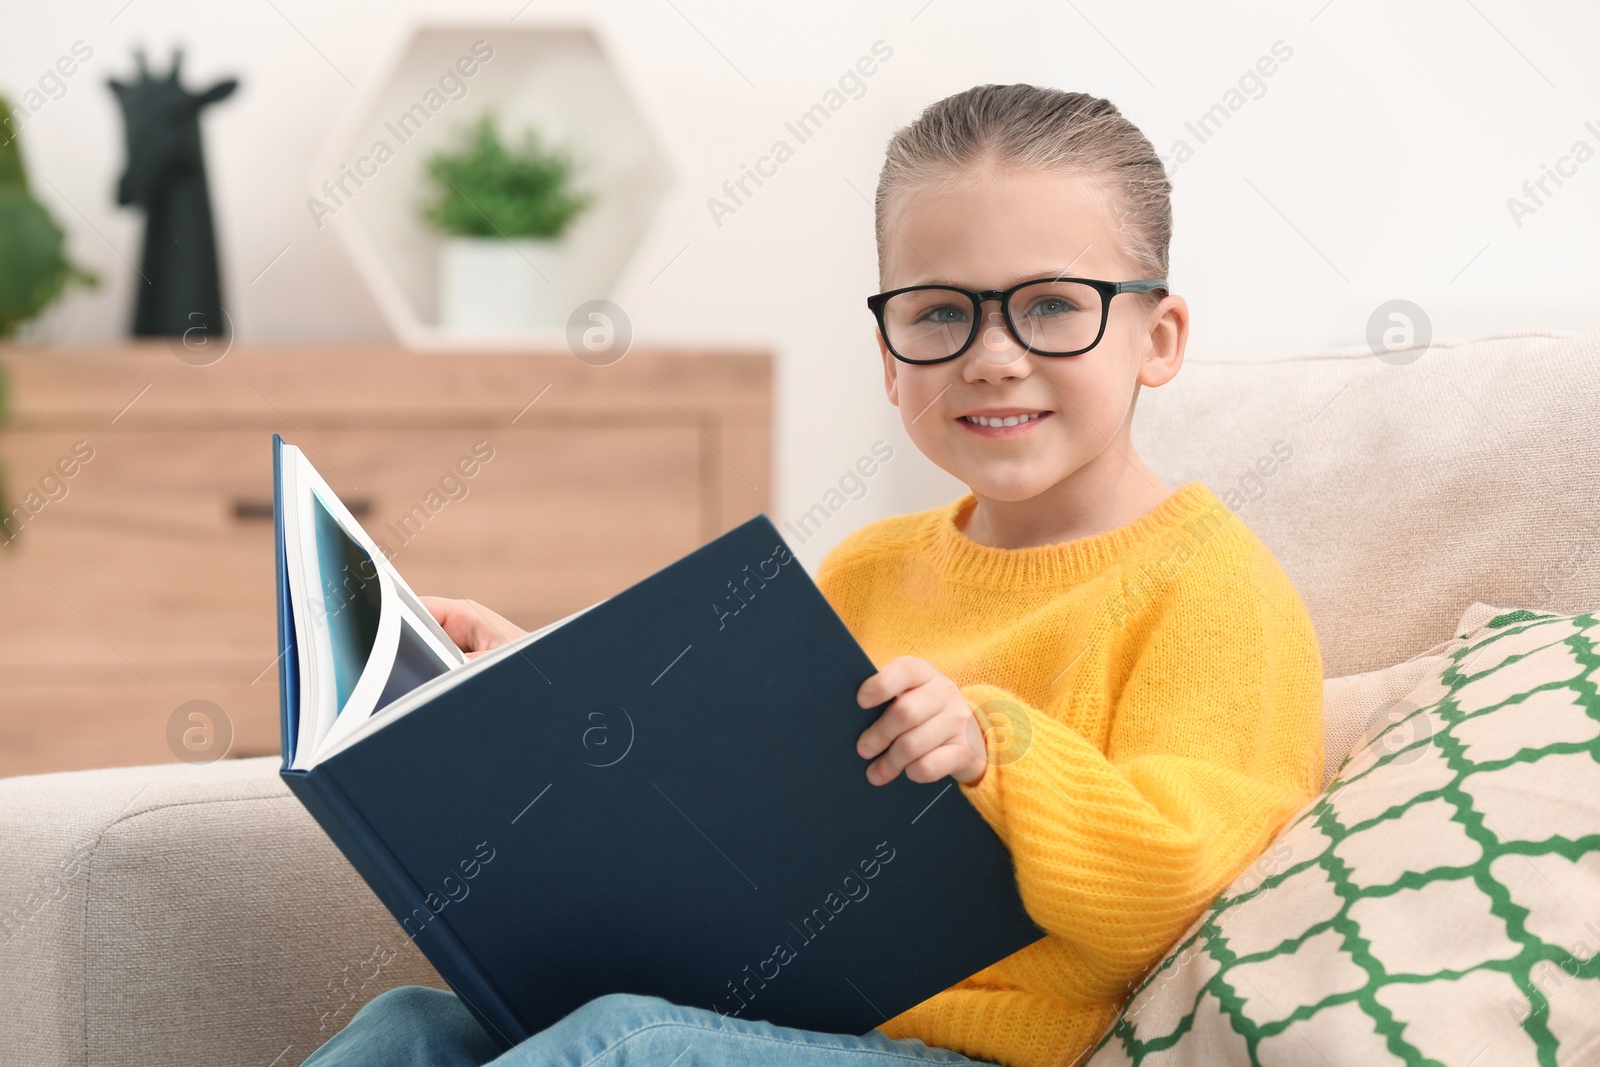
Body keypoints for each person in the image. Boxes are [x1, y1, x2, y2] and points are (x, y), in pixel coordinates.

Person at [303, 83, 1324, 1067]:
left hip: (980, 1051)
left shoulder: (1211, 587)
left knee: (631, 1044)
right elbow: (721, 787)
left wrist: (992, 752)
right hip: (777, 1015)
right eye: (937, 314)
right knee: (412, 1029)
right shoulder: (871, 566)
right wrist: (533, 684)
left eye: (1053, 305)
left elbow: (1186, 895)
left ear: (1158, 338)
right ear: (887, 355)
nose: (993, 356)